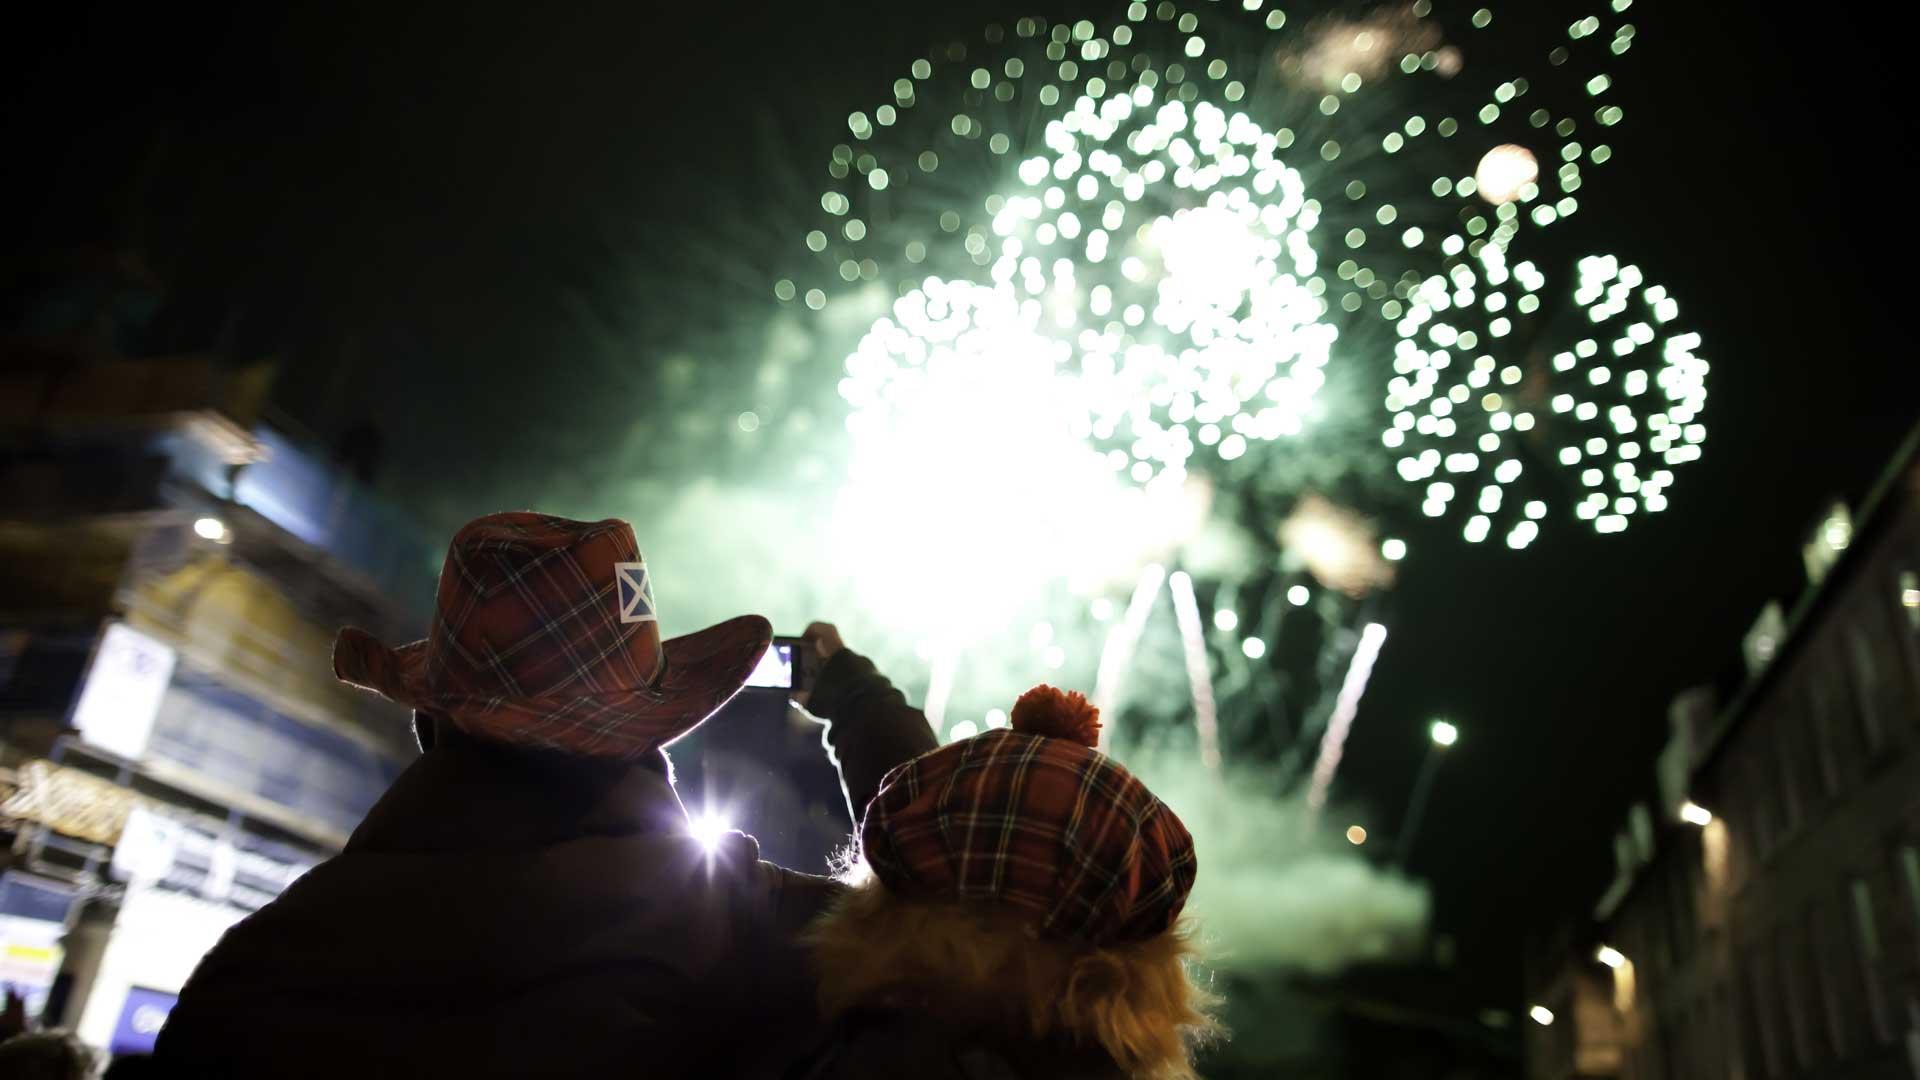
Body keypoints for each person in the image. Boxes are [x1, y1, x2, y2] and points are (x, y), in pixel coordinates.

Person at [153, 512, 936, 1078]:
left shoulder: (256, 969)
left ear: (434, 717)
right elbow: (956, 908)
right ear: (647, 728)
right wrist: (859, 701)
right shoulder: (735, 932)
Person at [789, 685, 1220, 1080]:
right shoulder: (1096, 1056)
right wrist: (855, 696)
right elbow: (989, 839)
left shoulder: (872, 1045)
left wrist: (854, 696)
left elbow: (963, 832)